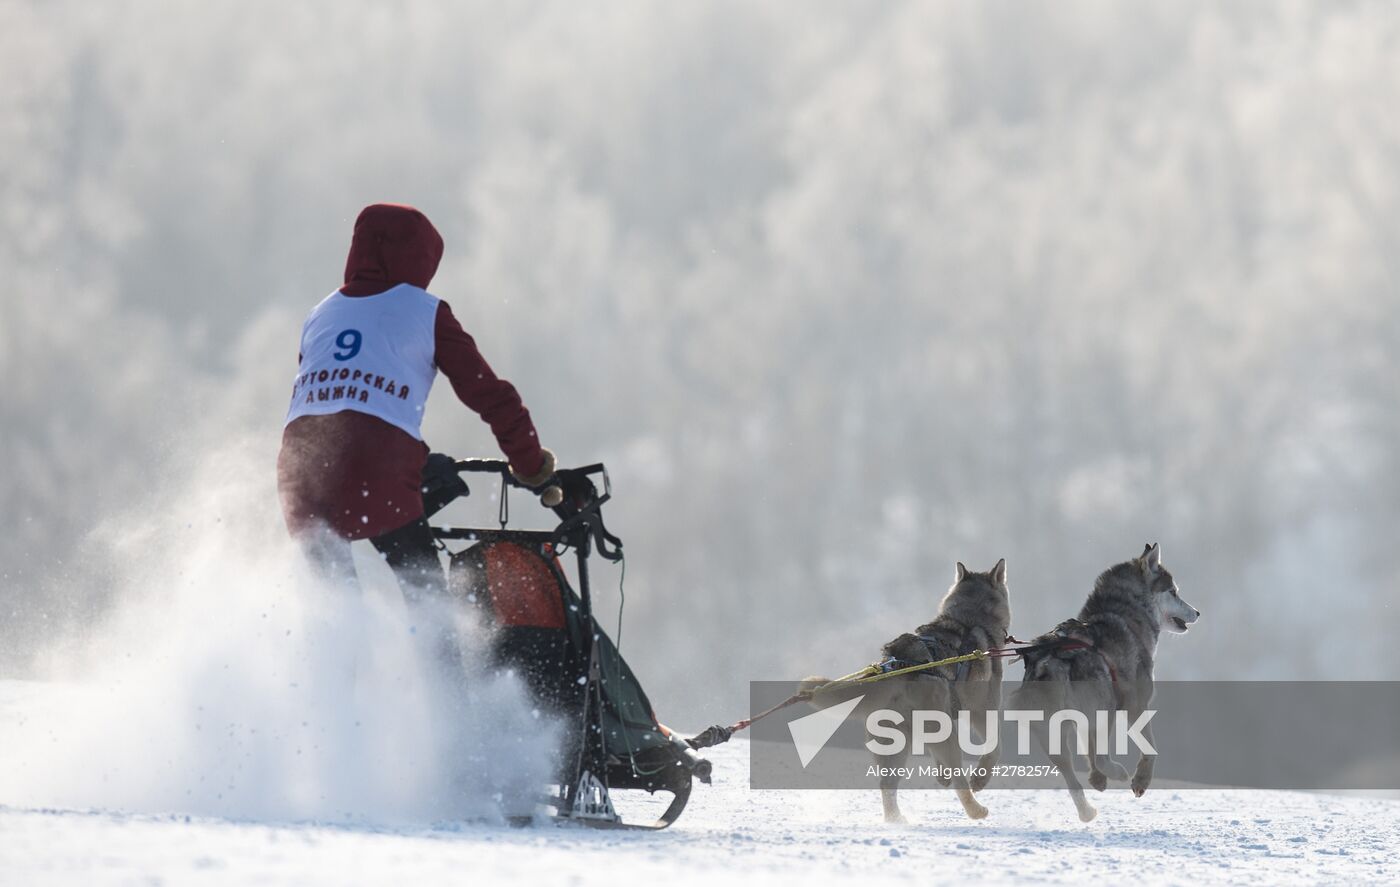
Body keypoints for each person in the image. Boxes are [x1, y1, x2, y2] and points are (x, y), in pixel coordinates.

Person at [277, 203, 556, 600]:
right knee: (426, 601)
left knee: (335, 606)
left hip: (299, 472)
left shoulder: (319, 314)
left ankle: (333, 658)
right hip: (378, 465)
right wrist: (532, 466)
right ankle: (438, 658)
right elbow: (490, 395)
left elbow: (323, 399)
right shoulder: (426, 312)